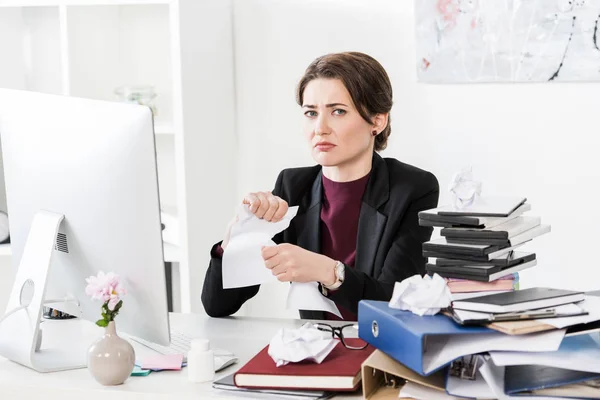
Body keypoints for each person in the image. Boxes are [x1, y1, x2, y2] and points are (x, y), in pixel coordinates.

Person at [201, 52, 439, 320]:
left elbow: (396, 304)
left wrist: (329, 272)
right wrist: (238, 239)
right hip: (315, 352)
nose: (320, 128)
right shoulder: (293, 186)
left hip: (380, 353)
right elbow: (217, 306)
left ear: (377, 121)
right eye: (311, 113)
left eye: (338, 111)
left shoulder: (413, 189)